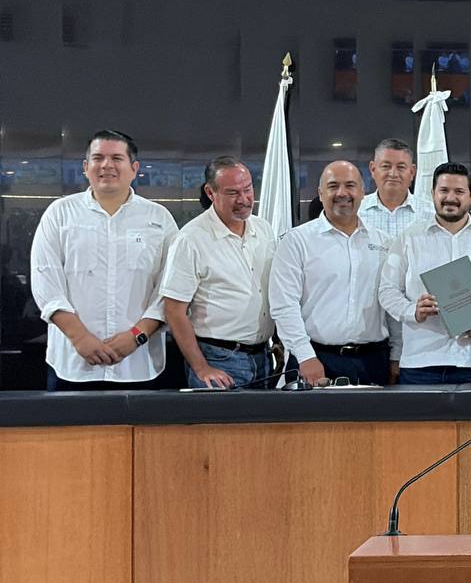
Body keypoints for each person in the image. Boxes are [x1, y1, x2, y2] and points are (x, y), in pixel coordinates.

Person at [31, 130, 178, 390]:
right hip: (73, 364)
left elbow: (171, 286)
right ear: (85, 167)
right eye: (98, 158)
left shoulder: (159, 218)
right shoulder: (60, 214)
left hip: (138, 364)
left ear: (134, 169)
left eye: (116, 158)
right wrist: (80, 338)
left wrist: (137, 335)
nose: (106, 165)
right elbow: (46, 282)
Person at [378, 163, 471, 385]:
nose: (451, 198)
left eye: (459, 191)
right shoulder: (409, 238)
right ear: (433, 193)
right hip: (420, 362)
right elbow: (387, 290)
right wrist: (413, 310)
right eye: (444, 190)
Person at [269, 161, 397, 386]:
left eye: (350, 185)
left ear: (363, 192)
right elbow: (284, 305)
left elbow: (392, 306)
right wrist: (305, 356)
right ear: (320, 193)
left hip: (375, 361)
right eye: (333, 186)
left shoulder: (385, 242)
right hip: (315, 360)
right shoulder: (296, 241)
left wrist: (396, 356)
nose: (342, 193)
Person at [161, 157, 277, 389]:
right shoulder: (190, 239)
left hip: (263, 357)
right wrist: (201, 367)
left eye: (247, 189)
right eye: (233, 193)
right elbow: (174, 310)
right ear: (210, 192)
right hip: (218, 360)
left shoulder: (263, 228)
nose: (243, 199)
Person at [359, 137, 434, 239]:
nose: (393, 174)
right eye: (386, 166)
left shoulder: (431, 214)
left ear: (412, 172)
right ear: (373, 169)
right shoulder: (356, 212)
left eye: (401, 167)